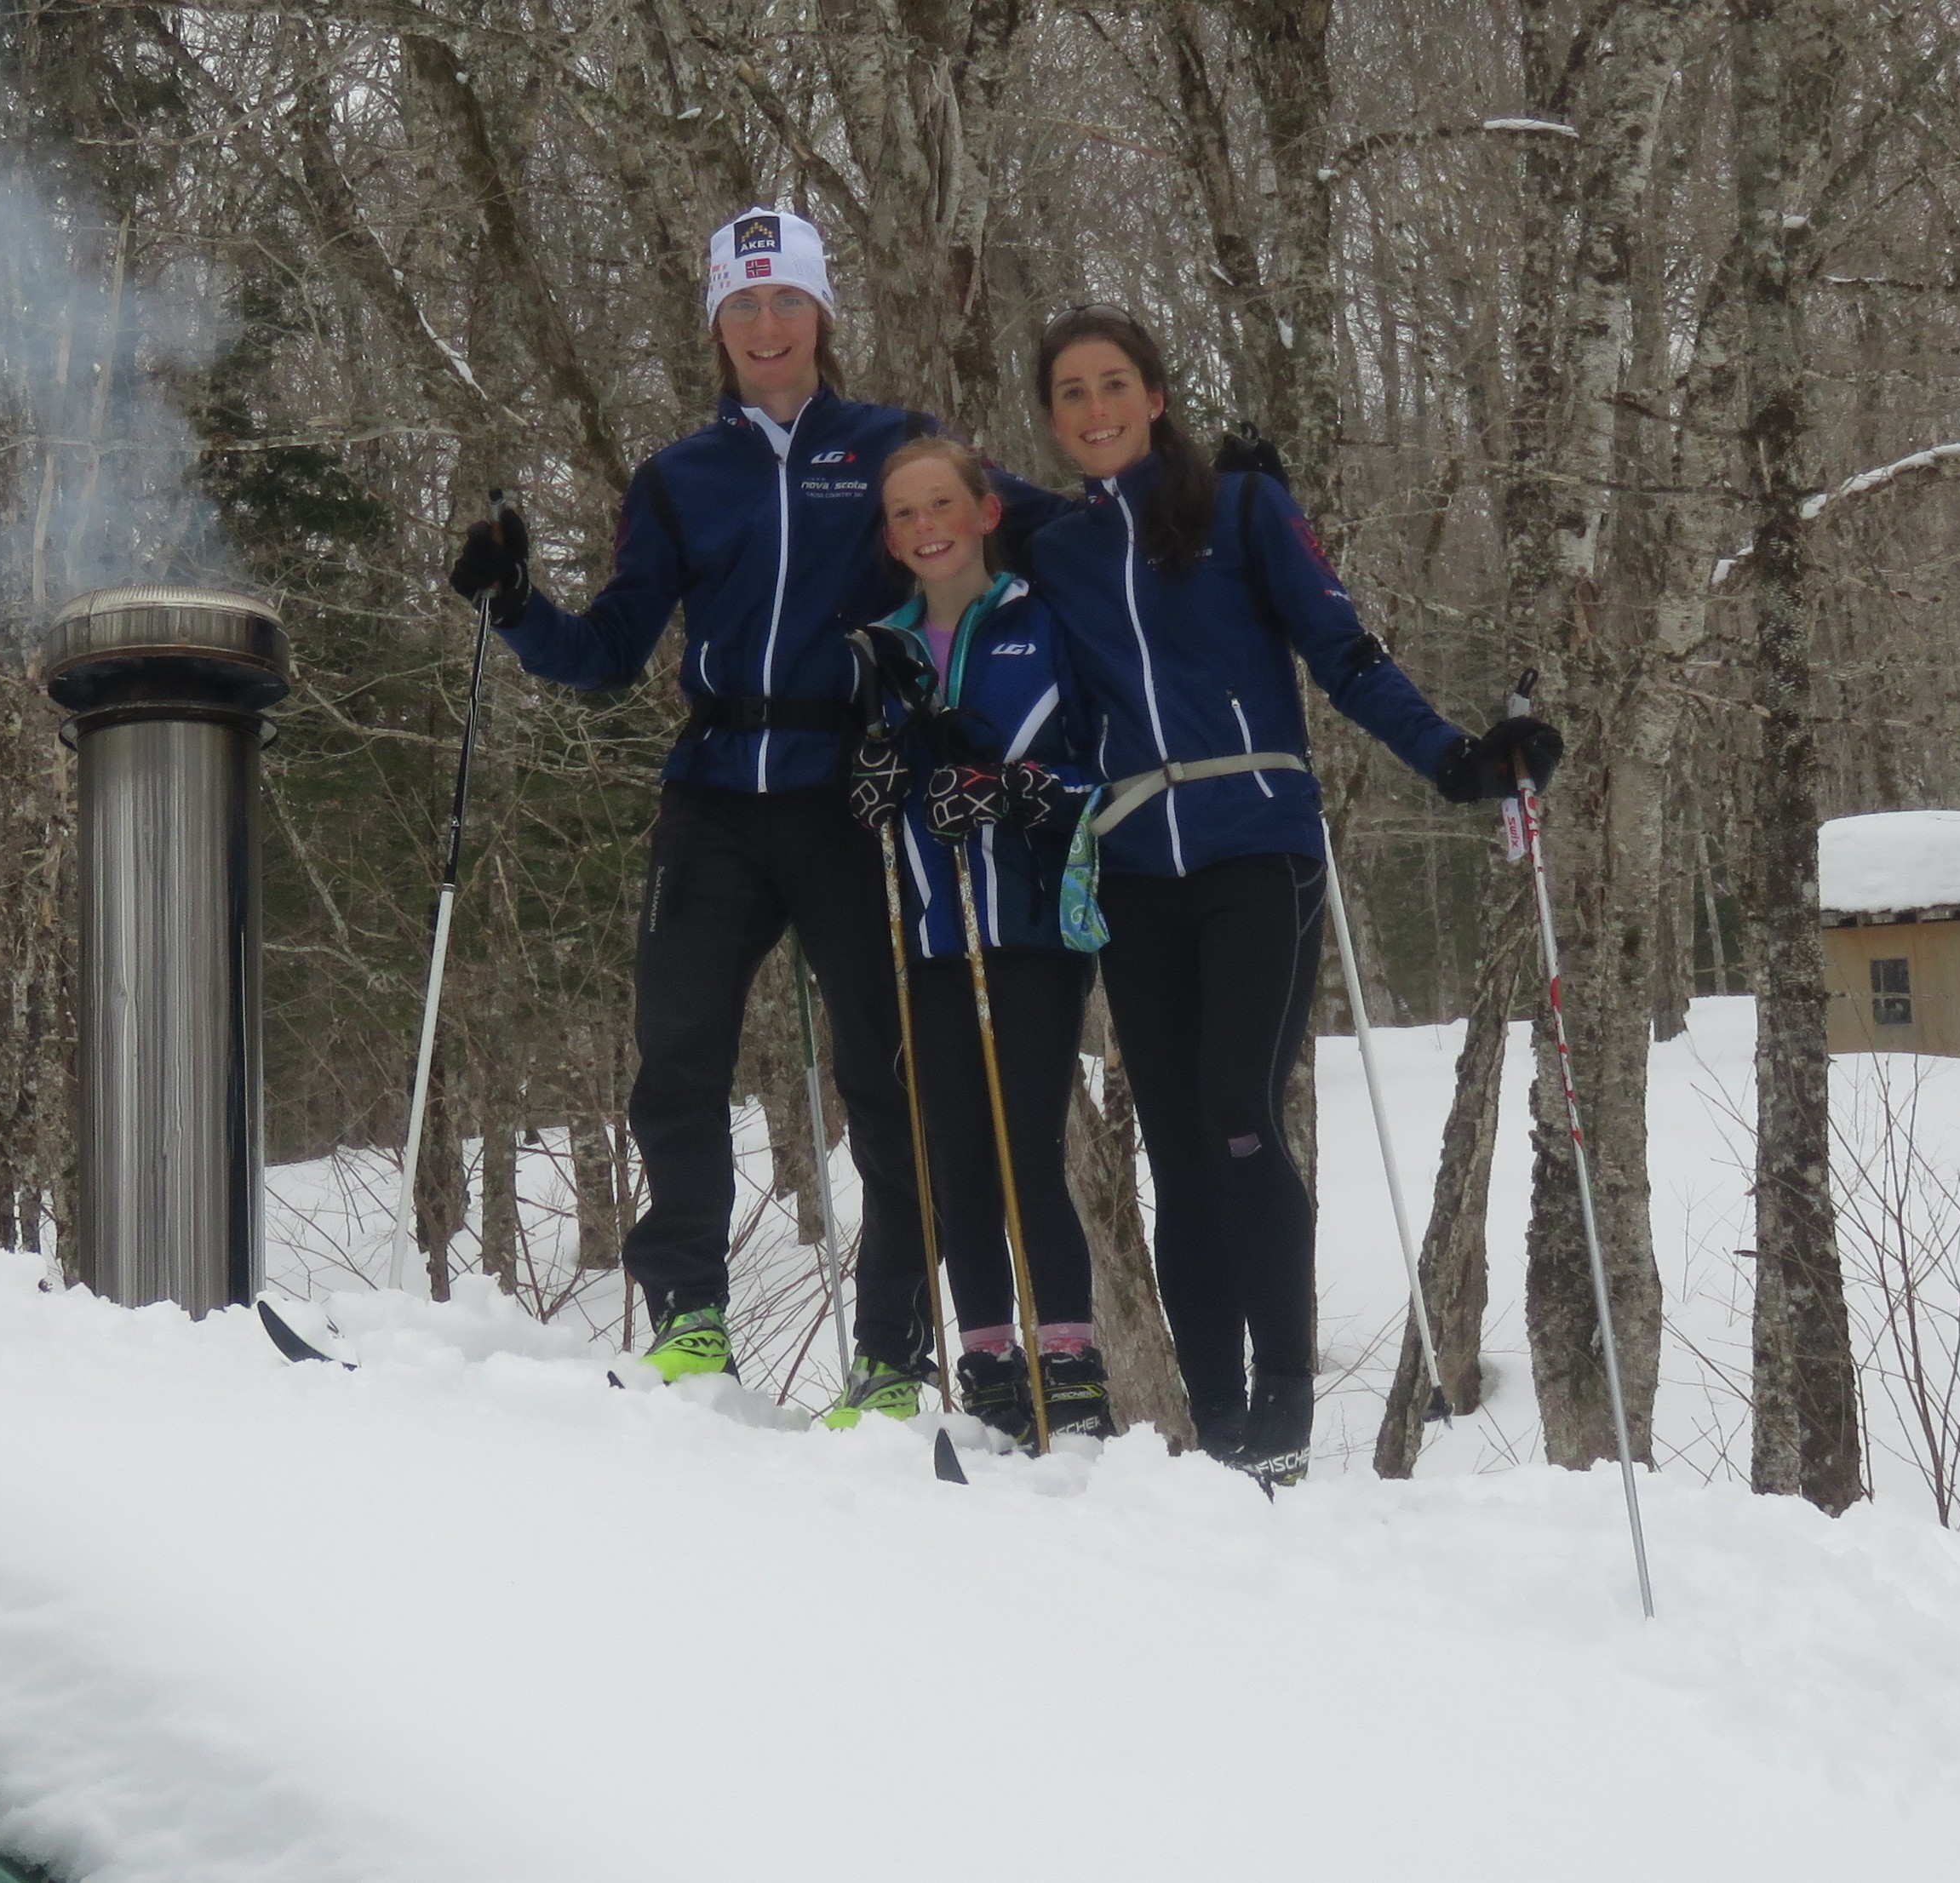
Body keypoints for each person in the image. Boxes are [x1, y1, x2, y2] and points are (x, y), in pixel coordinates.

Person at [446, 208, 1057, 1396]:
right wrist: (518, 603)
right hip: (715, 793)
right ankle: (687, 1322)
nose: (766, 326)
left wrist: (1176, 510)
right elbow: (611, 648)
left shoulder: (894, 445)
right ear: (716, 326)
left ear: (822, 314)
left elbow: (1035, 533)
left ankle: (887, 1352)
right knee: (677, 1057)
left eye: (786, 302)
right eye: (742, 306)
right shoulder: (680, 477)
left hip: (852, 793)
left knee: (887, 1079)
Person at [1022, 307, 1561, 1483]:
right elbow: (918, 512)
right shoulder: (1048, 544)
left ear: (1157, 395)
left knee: (1236, 1116)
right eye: (1070, 393)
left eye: (1115, 384)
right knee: (1171, 1143)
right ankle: (1216, 1424)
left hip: (1255, 848)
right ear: (1052, 421)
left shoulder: (1242, 510)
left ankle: (1281, 1405)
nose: (1096, 408)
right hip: (1132, 870)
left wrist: (1457, 759)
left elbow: (1344, 652)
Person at [834, 435, 1110, 1443]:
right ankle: (989, 1357)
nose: (925, 528)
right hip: (934, 934)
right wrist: (871, 783)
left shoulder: (1042, 622)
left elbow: (1101, 764)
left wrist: (1018, 792)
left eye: (941, 504)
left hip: (1031, 927)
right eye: (903, 514)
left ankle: (1068, 1362)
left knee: (1023, 1144)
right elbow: (867, 774)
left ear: (985, 512)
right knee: (956, 1157)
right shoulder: (882, 645)